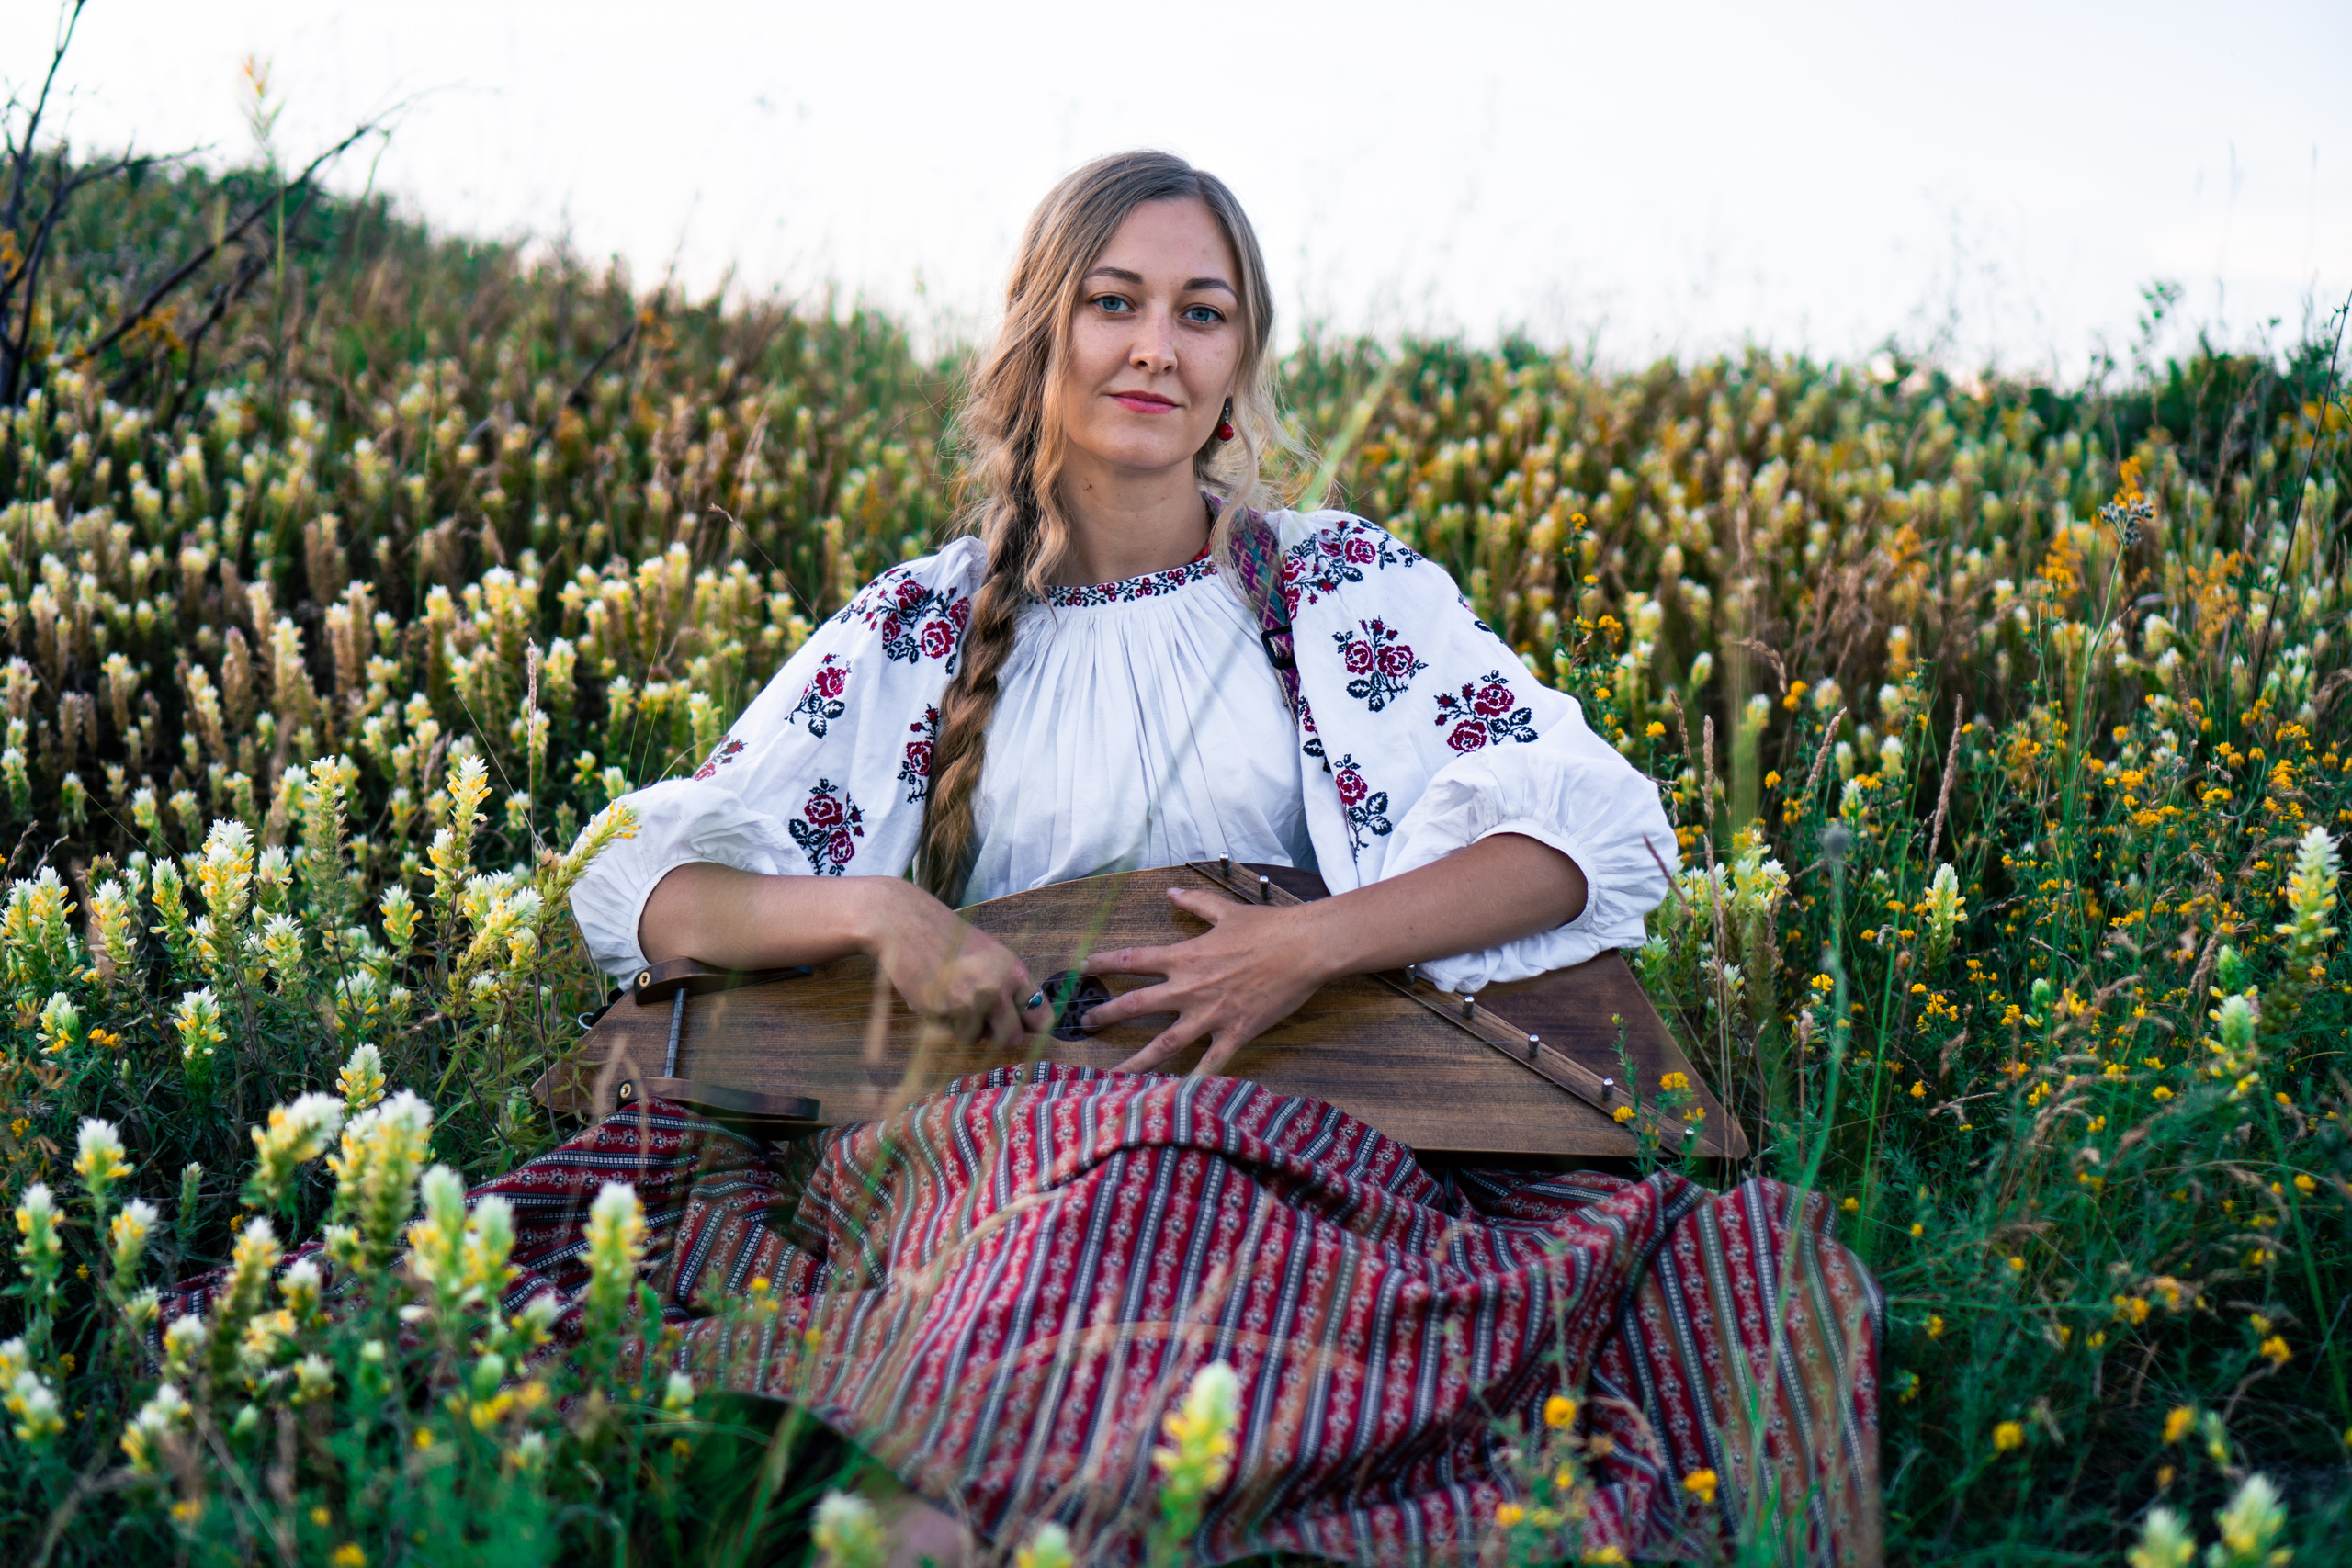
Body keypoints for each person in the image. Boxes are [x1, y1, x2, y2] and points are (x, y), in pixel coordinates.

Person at [181, 152, 1883, 1565]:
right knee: (1098, 1192)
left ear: (1240, 363)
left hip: (1308, 1143)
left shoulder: (1338, 590)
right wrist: (878, 908)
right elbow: (648, 893)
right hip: (989, 1155)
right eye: (1116, 302)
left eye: (1200, 313)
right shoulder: (922, 625)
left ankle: (998, 1509)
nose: (1157, 346)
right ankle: (1008, 1510)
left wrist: (1307, 948)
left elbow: (1578, 847)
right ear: (1041, 328)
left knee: (1712, 1282)